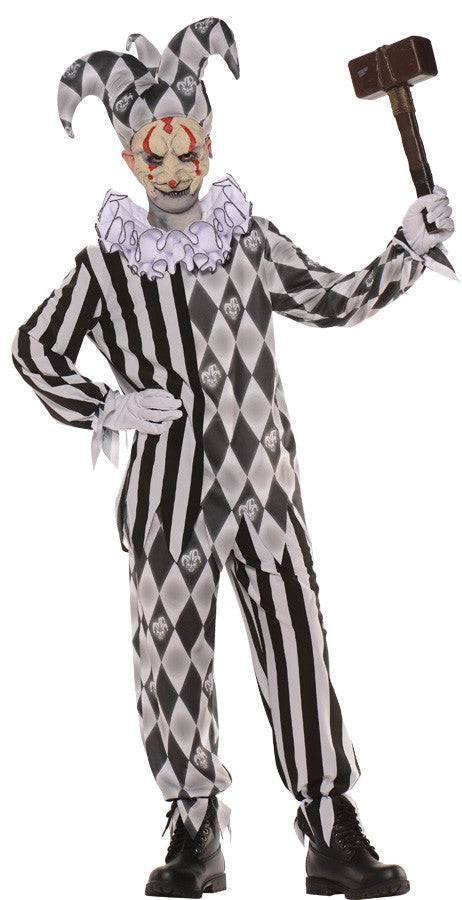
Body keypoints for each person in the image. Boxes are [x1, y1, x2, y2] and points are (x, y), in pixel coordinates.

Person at [11, 17, 456, 900]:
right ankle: (194, 829)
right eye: (156, 154)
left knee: (298, 648)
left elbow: (333, 300)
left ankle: (329, 826)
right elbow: (33, 348)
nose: (176, 169)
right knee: (171, 656)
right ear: (131, 160)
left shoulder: (247, 238)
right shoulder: (106, 266)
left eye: (188, 149)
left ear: (208, 144)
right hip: (167, 502)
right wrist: (104, 406)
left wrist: (407, 244)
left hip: (266, 495)